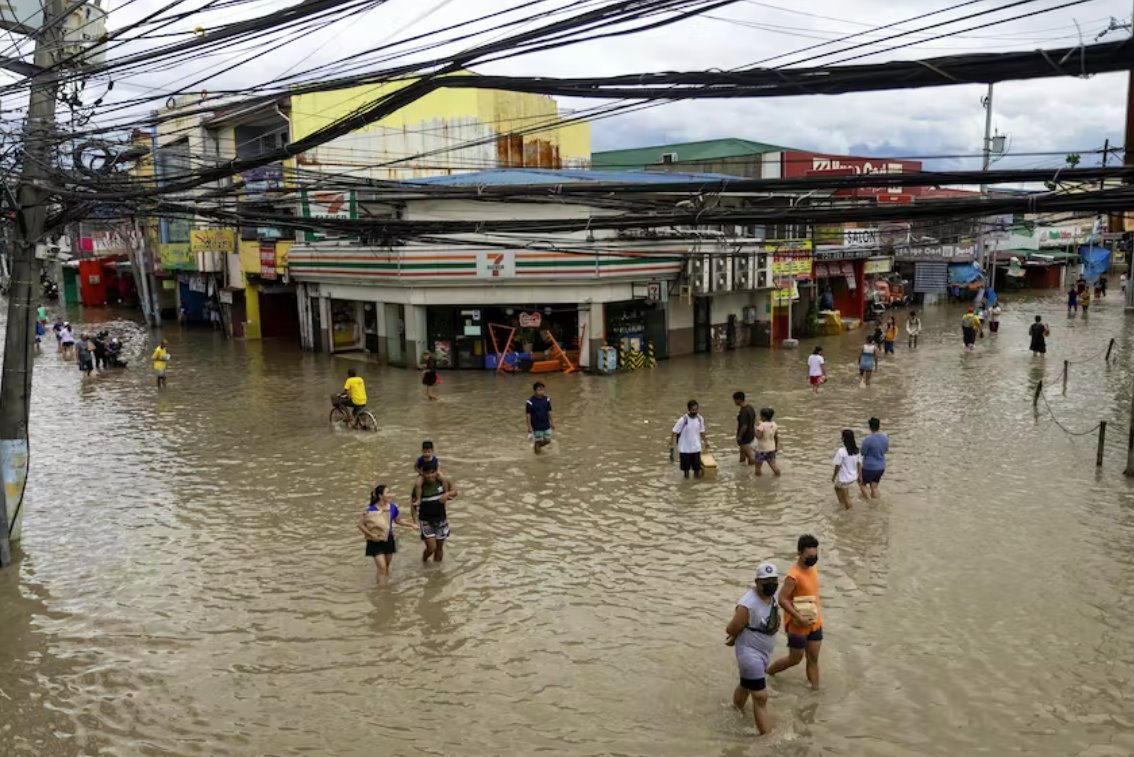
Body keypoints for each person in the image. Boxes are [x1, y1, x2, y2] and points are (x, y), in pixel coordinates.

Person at [725, 562, 781, 736]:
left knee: (746, 685)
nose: (771, 584)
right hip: (750, 654)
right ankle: (767, 737)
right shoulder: (747, 604)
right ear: (757, 582)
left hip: (764, 652)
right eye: (766, 581)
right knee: (760, 697)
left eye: (774, 580)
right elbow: (732, 627)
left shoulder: (773, 597)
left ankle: (735, 709)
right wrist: (734, 636)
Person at [768, 535, 823, 690]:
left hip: (815, 622)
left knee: (813, 659)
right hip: (797, 625)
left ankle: (815, 691)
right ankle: (769, 673)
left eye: (815, 555)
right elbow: (782, 599)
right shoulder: (793, 576)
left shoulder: (814, 569)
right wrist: (798, 617)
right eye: (809, 556)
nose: (813, 559)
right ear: (800, 553)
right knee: (795, 659)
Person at [358, 484, 413, 586]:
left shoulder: (393, 507)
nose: (390, 495)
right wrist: (370, 534)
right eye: (387, 493)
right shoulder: (370, 510)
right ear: (380, 496)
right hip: (375, 541)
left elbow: (398, 520)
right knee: (382, 567)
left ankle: (384, 588)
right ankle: (381, 591)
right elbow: (360, 525)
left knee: (386, 567)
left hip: (389, 539)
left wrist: (411, 525)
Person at [411, 461, 458, 563]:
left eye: (432, 472)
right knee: (431, 548)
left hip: (441, 519)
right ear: (423, 473)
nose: (430, 476)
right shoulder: (419, 486)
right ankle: (424, 561)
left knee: (439, 547)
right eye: (427, 473)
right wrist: (415, 522)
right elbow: (413, 505)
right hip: (426, 520)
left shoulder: (443, 482)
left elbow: (455, 492)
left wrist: (447, 494)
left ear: (436, 472)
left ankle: (437, 572)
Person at [670, 399, 707, 479]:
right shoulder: (683, 420)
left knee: (697, 470)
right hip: (685, 449)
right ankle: (686, 486)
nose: (695, 411)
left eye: (696, 409)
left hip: (696, 448)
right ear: (689, 409)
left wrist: (706, 442)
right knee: (686, 472)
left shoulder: (700, 419)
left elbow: (702, 432)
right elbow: (674, 432)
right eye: (693, 410)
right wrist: (672, 445)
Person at [859, 417, 889, 499]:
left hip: (869, 467)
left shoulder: (868, 439)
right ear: (879, 426)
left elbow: (862, 452)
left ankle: (869, 502)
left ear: (869, 427)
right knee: (874, 486)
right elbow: (886, 450)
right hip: (881, 467)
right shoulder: (885, 438)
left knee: (862, 484)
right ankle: (876, 503)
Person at [831, 429, 861, 510]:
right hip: (853, 476)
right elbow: (859, 464)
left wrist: (833, 477)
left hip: (844, 478)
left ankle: (849, 511)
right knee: (837, 488)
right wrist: (859, 476)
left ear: (843, 439)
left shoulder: (841, 451)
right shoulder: (857, 450)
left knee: (846, 496)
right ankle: (842, 504)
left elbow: (837, 466)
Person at [525, 381, 554, 454]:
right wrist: (529, 426)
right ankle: (537, 456)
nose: (541, 392)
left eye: (542, 390)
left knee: (548, 440)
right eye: (539, 390)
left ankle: (537, 446)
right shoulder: (530, 402)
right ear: (535, 391)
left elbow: (549, 411)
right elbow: (528, 414)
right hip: (536, 425)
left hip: (546, 424)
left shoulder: (547, 399)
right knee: (538, 441)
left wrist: (552, 422)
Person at [753, 408, 781, 477]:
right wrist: (776, 447)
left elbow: (758, 436)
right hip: (771, 448)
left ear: (763, 417)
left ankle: (758, 482)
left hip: (761, 449)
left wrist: (755, 429)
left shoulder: (761, 425)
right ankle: (778, 476)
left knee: (758, 468)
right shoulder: (774, 424)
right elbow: (776, 437)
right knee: (773, 466)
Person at [733, 391, 756, 465]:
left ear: (739, 400)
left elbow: (744, 426)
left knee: (750, 455)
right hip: (751, 433)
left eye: (735, 400)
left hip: (745, 436)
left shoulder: (744, 411)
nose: (734, 402)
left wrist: (739, 436)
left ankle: (754, 470)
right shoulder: (750, 407)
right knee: (742, 453)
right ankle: (743, 471)